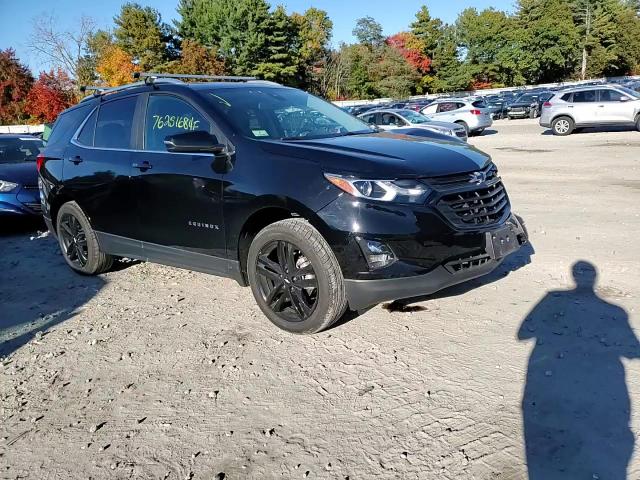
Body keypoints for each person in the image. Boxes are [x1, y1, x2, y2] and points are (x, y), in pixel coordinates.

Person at [518, 261, 640, 479]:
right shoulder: (615, 312)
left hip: (551, 381)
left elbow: (524, 333)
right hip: (603, 387)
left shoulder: (552, 298)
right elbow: (633, 351)